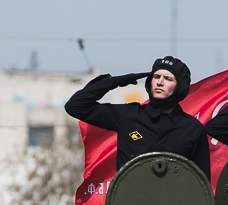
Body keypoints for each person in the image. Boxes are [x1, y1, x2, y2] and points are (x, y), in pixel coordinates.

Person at [64, 56, 211, 177]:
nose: (160, 82)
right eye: (156, 76)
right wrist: (113, 82)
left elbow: (201, 182)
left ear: (180, 87)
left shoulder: (192, 129)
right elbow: (75, 106)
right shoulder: (129, 116)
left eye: (168, 78)